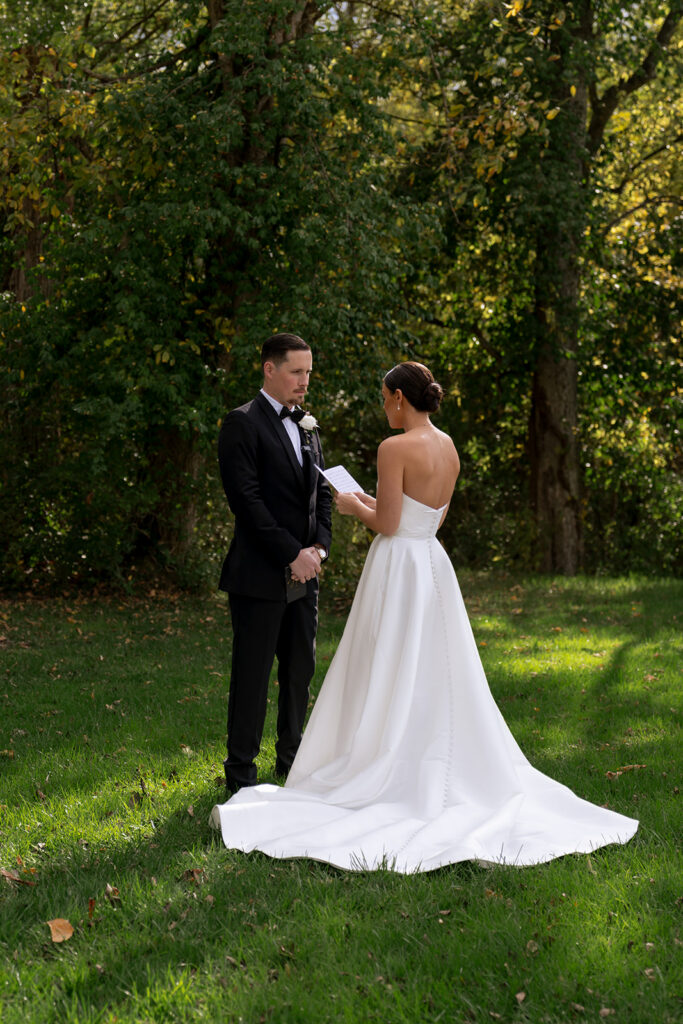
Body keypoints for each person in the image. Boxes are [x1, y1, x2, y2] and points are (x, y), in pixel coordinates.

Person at [210, 361, 637, 871]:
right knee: (436, 667)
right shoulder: (448, 445)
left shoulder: (394, 448)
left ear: (397, 398)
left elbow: (387, 523)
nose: (383, 406)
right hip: (431, 562)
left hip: (396, 566)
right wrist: (372, 503)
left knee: (388, 660)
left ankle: (381, 754)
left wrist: (351, 508)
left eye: (383, 397)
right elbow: (426, 515)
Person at [217, 333, 332, 794]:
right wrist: (291, 553)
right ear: (269, 369)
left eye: (308, 372)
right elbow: (247, 502)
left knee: (299, 670)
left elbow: (322, 491)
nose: (305, 381)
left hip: (306, 574)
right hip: (260, 573)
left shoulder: (308, 424)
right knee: (252, 674)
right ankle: (241, 775)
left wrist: (318, 549)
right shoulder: (240, 424)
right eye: (296, 372)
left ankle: (292, 764)